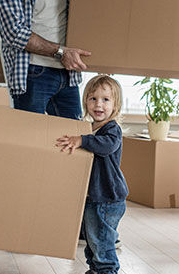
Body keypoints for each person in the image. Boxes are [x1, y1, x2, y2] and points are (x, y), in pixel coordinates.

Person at [56, 75, 128, 274]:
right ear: (85, 101)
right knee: (92, 239)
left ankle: (106, 270)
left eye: (106, 100)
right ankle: (95, 269)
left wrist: (81, 140)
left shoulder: (112, 129)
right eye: (93, 98)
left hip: (107, 198)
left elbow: (106, 146)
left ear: (115, 105)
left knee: (103, 242)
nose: (99, 105)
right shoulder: (88, 128)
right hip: (93, 197)